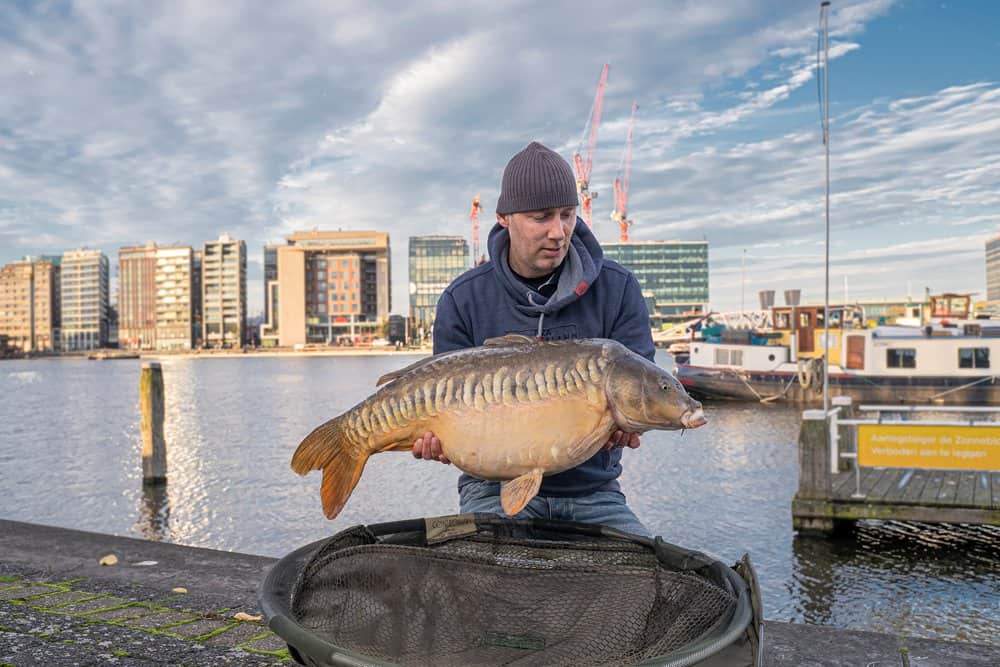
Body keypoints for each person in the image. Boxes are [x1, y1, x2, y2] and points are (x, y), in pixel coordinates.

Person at [412, 141, 656, 535]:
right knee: (484, 580)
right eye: (541, 217)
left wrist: (634, 423)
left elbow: (644, 387)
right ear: (505, 218)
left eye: (567, 215)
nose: (558, 232)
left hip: (593, 494)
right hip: (490, 491)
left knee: (643, 581)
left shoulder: (619, 289)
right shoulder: (462, 299)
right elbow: (445, 410)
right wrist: (441, 441)